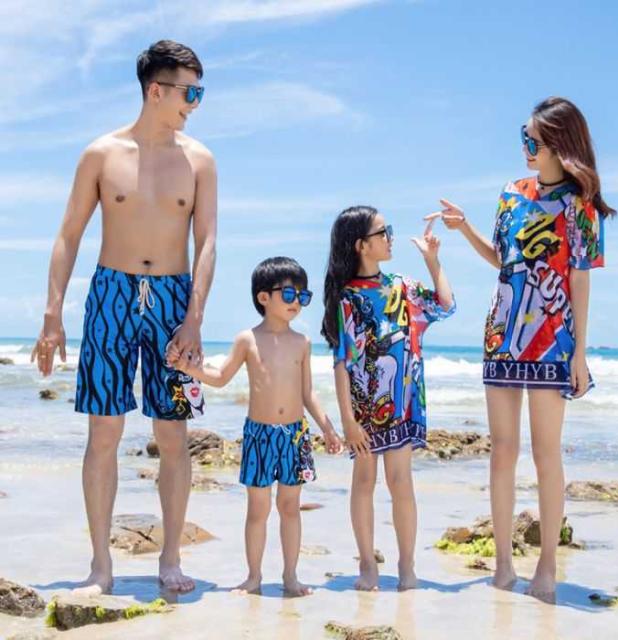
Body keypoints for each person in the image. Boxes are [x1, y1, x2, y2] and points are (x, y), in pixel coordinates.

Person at [31, 40, 218, 594]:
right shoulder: (101, 154)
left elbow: (207, 242)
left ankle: (170, 560)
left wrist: (195, 317)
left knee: (174, 433)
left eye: (199, 93)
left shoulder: (200, 160)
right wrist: (52, 313)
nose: (196, 103)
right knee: (104, 432)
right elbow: (68, 235)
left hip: (174, 300)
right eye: (190, 93)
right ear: (155, 90)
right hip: (111, 295)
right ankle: (100, 566)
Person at [435, 97, 612, 602]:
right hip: (502, 335)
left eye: (532, 140)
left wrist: (579, 352)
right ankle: (503, 566)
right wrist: (464, 228)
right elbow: (503, 259)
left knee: (545, 453)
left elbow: (579, 279)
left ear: (557, 144)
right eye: (524, 137)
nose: (525, 147)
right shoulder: (512, 193)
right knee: (503, 451)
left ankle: (548, 567)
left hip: (552, 340)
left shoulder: (581, 205)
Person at [169, 257, 343, 597]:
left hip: (295, 434)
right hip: (259, 434)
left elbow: (307, 393)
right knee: (258, 510)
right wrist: (190, 369)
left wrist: (327, 427)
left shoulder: (302, 342)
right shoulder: (247, 340)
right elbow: (220, 377)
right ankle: (253, 577)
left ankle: (290, 577)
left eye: (303, 296)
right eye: (289, 294)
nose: (296, 302)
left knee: (290, 508)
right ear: (264, 297)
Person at [321, 207, 455, 591]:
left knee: (401, 483)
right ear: (361, 245)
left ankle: (407, 566)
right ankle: (367, 564)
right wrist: (347, 421)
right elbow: (342, 362)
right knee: (364, 481)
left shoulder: (403, 286)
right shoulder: (347, 298)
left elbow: (445, 305)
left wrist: (432, 260)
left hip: (404, 402)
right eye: (383, 232)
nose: (390, 238)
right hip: (364, 409)